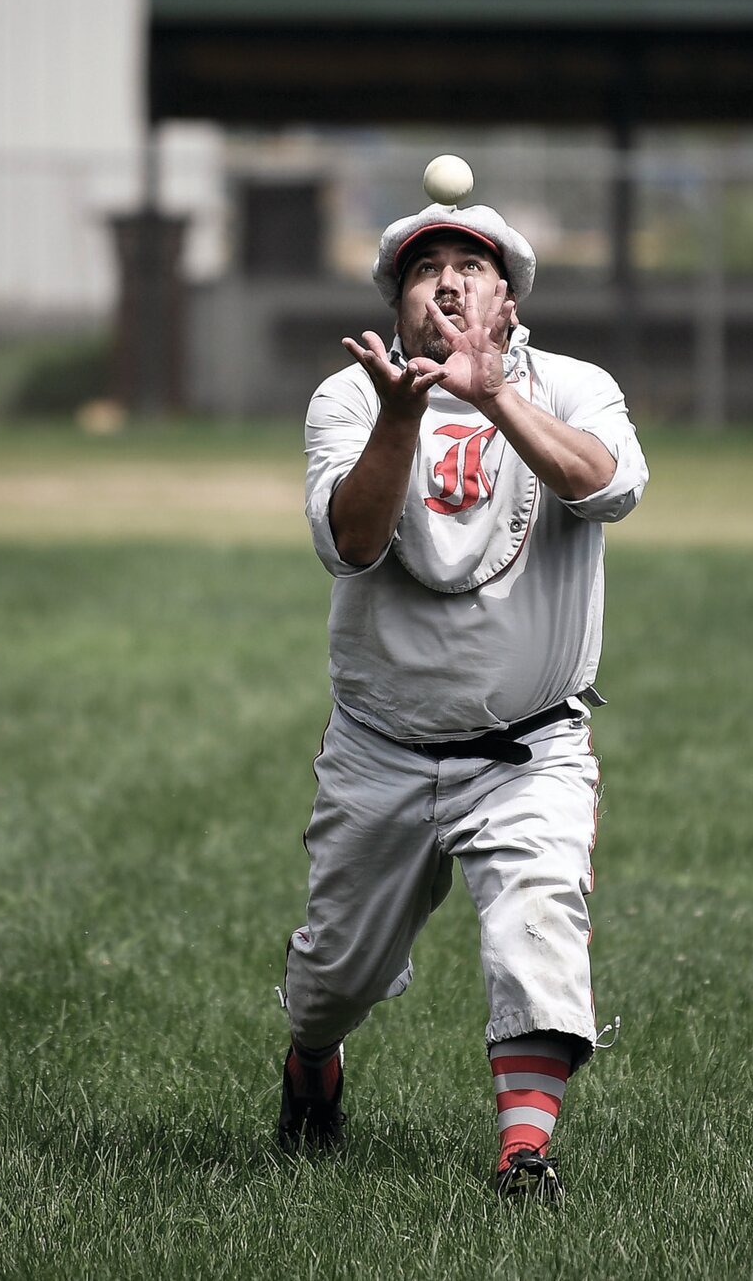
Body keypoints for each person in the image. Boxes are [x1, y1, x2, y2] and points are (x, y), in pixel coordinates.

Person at [277, 174, 648, 1200]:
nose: (444, 285)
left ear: (508, 301)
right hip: (382, 745)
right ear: (396, 304)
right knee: (330, 978)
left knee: (537, 927)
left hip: (532, 747)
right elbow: (352, 544)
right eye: (423, 272)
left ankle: (524, 1155)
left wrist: (493, 394)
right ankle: (312, 1064)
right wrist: (408, 415)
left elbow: (606, 485)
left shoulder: (573, 385)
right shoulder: (353, 396)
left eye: (468, 269)